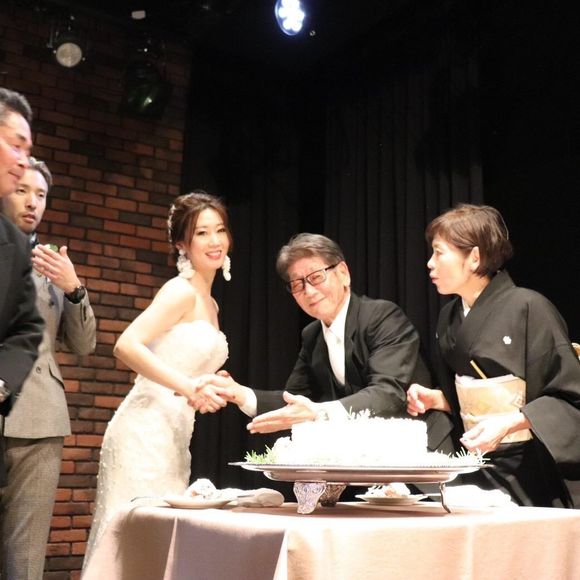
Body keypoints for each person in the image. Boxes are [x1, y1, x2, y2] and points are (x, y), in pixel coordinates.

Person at [83, 191, 235, 568]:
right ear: (182, 243)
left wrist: (211, 381)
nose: (214, 241)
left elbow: (180, 361)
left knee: (157, 547)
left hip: (175, 434)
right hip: (144, 432)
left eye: (220, 230)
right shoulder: (180, 291)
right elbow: (126, 345)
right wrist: (189, 386)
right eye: (201, 233)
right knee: (135, 545)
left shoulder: (212, 303)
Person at [406, 203, 580, 508]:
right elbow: (470, 397)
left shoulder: (529, 307)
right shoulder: (449, 317)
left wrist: (510, 423)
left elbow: (570, 395)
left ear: (474, 257)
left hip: (528, 469)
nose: (430, 263)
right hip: (475, 463)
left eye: (439, 253)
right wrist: (438, 399)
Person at [226, 233, 431, 434]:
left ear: (343, 273)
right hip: (367, 445)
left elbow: (387, 392)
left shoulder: (382, 316)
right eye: (297, 284)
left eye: (316, 277)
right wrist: (239, 394)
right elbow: (294, 402)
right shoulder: (312, 335)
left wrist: (319, 413)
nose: (309, 291)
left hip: (421, 441)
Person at [1, 157, 97, 579]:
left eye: (40, 195)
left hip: (40, 418)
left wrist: (73, 289)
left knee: (24, 557)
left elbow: (83, 345)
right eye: (23, 190)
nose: (32, 202)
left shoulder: (52, 264)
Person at [0, 87, 45, 579]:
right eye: (15, 145)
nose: (22, 161)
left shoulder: (13, 244)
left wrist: (1, 382)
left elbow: (27, 326)